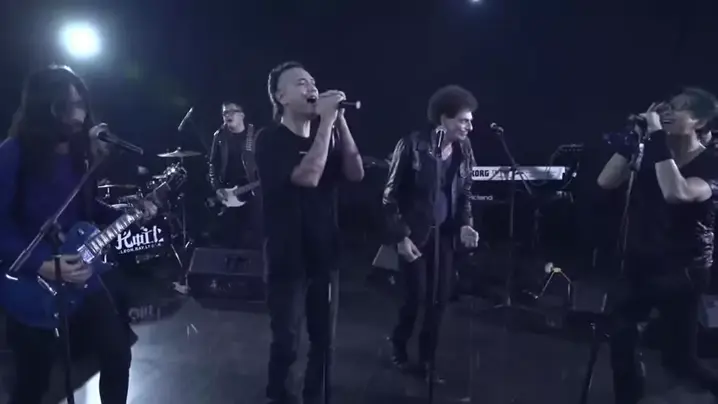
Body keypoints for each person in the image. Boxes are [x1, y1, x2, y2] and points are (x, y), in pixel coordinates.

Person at [0, 65, 156, 404]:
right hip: (30, 284)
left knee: (117, 353)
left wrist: (128, 214)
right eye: (65, 107)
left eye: (80, 104)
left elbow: (85, 209)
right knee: (33, 383)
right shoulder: (13, 154)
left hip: (81, 274)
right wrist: (42, 265)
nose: (77, 116)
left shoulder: (78, 154)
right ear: (42, 108)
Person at [596, 87, 718, 403]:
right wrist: (634, 140)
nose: (669, 112)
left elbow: (677, 193)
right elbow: (606, 181)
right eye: (668, 106)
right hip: (641, 260)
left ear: (700, 121)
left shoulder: (710, 162)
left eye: (680, 108)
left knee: (679, 360)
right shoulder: (650, 151)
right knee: (621, 340)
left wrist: (654, 139)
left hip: (683, 269)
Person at [255, 61, 364, 404]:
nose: (312, 88)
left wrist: (339, 121)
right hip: (287, 255)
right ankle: (280, 397)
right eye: (301, 83)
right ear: (281, 96)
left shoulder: (328, 134)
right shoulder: (269, 139)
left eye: (313, 82)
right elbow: (307, 176)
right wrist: (327, 122)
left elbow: (356, 172)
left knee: (324, 342)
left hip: (324, 253)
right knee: (286, 341)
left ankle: (314, 397)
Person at [383, 85, 480, 382]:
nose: (469, 126)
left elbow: (465, 192)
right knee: (415, 298)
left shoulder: (464, 149)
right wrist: (400, 236)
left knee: (439, 300)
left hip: (445, 237)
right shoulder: (412, 145)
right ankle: (399, 347)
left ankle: (427, 360)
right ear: (444, 119)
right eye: (463, 120)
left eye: (470, 120)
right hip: (415, 234)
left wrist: (465, 224)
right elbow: (389, 196)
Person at [208, 100, 262, 249]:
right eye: (225, 113)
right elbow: (213, 164)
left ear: (242, 115)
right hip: (229, 193)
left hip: (252, 192)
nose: (227, 115)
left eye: (232, 111)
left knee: (255, 238)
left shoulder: (255, 135)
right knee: (230, 240)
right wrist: (217, 188)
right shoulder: (219, 136)